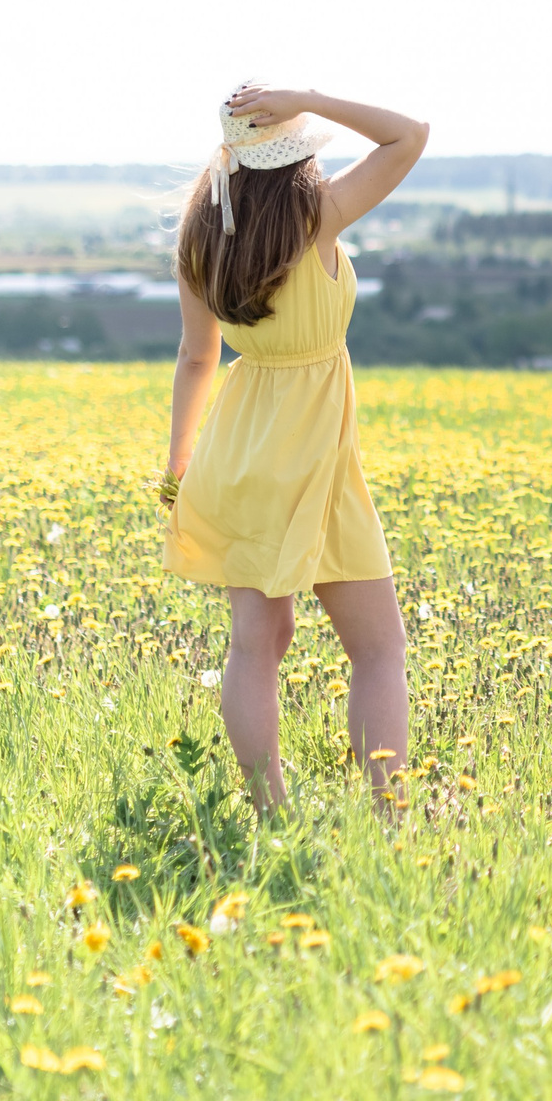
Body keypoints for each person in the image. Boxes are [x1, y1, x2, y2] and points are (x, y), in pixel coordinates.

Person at [159, 84, 429, 811]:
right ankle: (390, 815)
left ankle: (271, 812)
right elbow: (409, 135)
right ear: (295, 152)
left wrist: (178, 464)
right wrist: (307, 95)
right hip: (315, 457)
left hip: (238, 452)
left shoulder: (199, 235)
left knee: (257, 643)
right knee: (378, 648)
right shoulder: (319, 217)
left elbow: (195, 357)